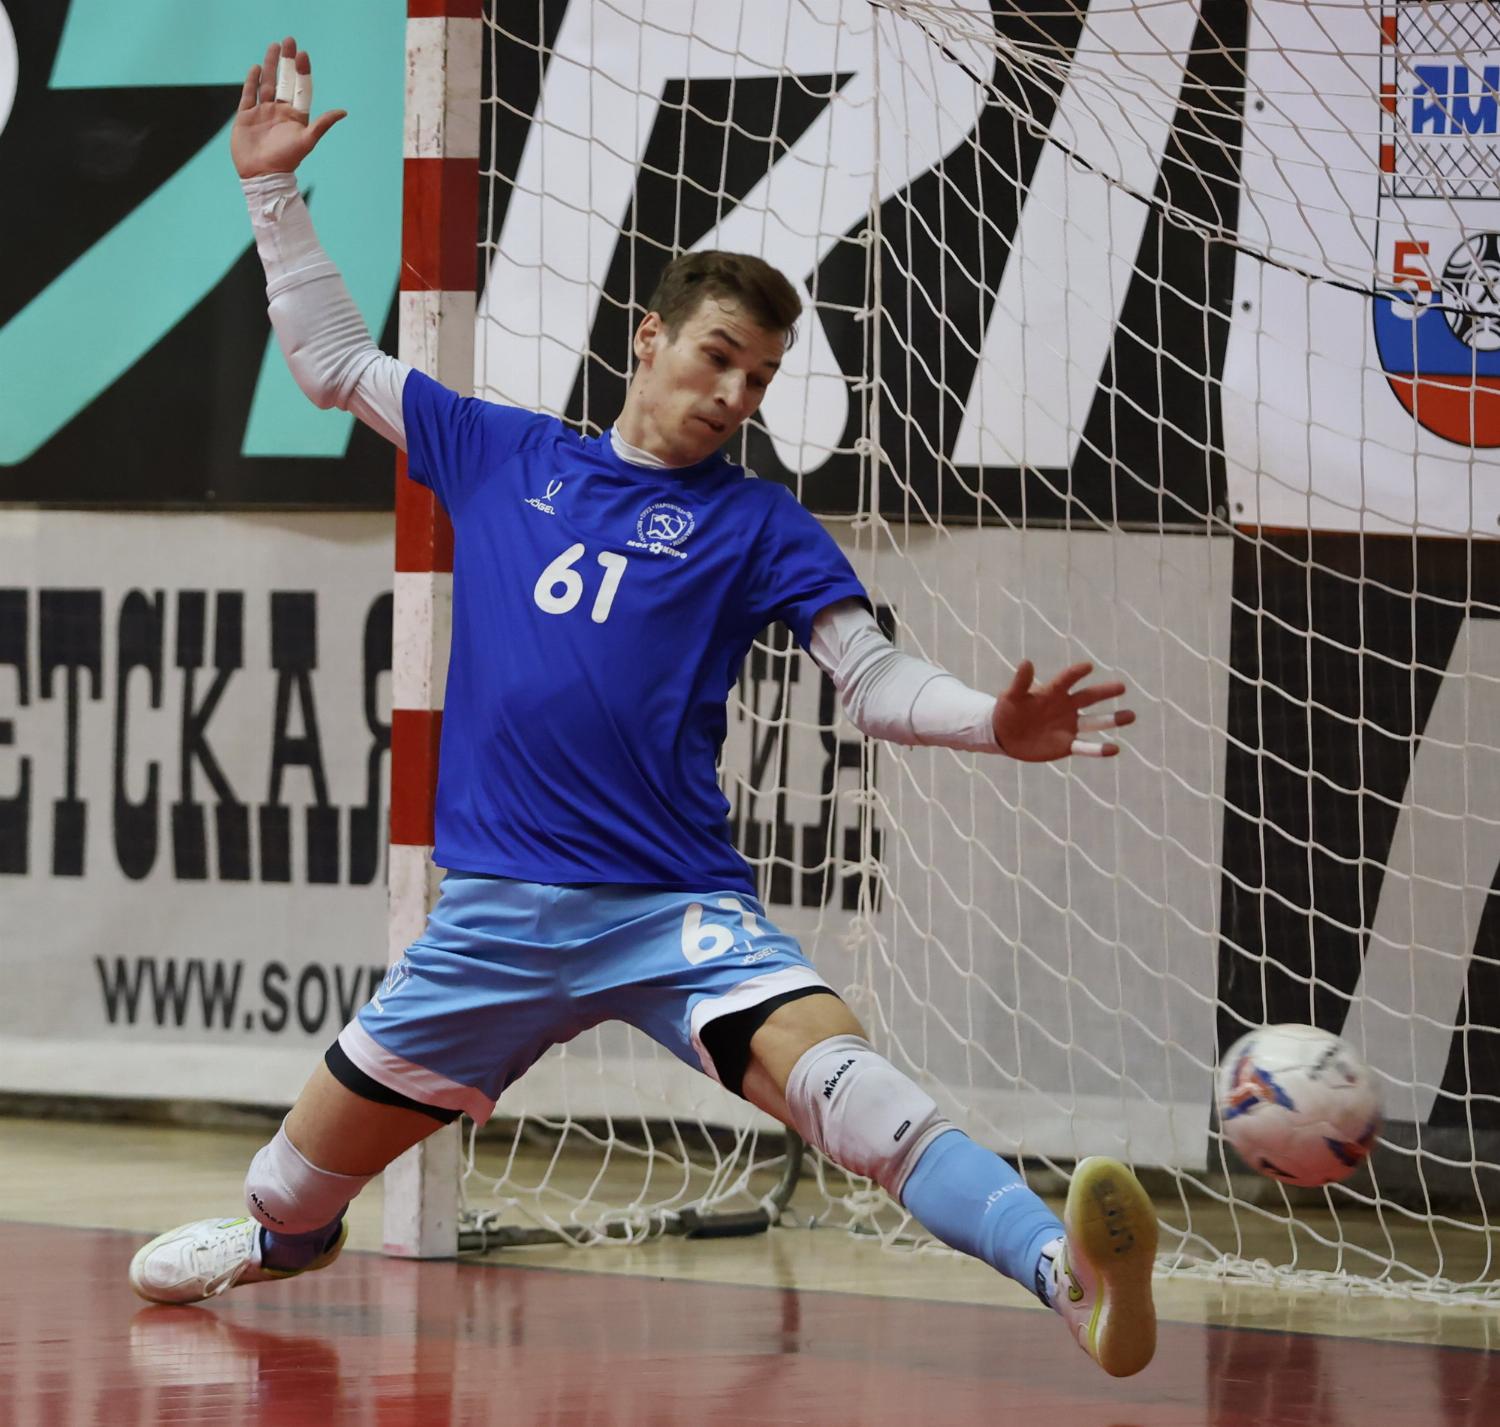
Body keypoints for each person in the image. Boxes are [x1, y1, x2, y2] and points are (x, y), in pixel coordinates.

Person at [129, 38, 1158, 1379]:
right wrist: (271, 192)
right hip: (493, 926)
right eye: (719, 359)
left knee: (852, 1092)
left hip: (671, 911)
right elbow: (332, 361)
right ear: (651, 339)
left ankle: (1066, 1274)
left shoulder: (760, 524)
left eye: (760, 380)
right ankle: (280, 1241)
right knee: (288, 1187)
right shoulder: (504, 452)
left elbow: (873, 681)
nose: (734, 396)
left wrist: (991, 724)